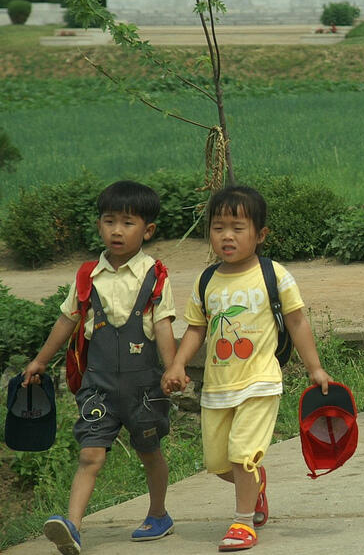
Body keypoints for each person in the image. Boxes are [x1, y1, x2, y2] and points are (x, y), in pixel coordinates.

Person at [163, 186, 332, 552]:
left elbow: (298, 322)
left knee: (242, 455)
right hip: (217, 387)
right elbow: (196, 328)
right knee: (217, 463)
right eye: (218, 227)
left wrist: (314, 368)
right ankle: (255, 483)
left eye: (238, 228)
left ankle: (241, 523)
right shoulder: (206, 280)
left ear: (260, 234)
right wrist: (177, 363)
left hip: (260, 382)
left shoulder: (275, 275)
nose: (227, 236)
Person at [22, 181, 177, 555]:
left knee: (149, 451)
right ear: (99, 227)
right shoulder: (87, 276)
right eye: (109, 222)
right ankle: (72, 526)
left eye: (127, 223)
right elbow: (66, 321)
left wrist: (173, 368)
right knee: (90, 454)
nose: (117, 231)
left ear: (148, 230)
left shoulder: (155, 275)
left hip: (145, 389)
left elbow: (163, 324)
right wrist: (41, 360)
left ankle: (158, 515)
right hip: (98, 387)